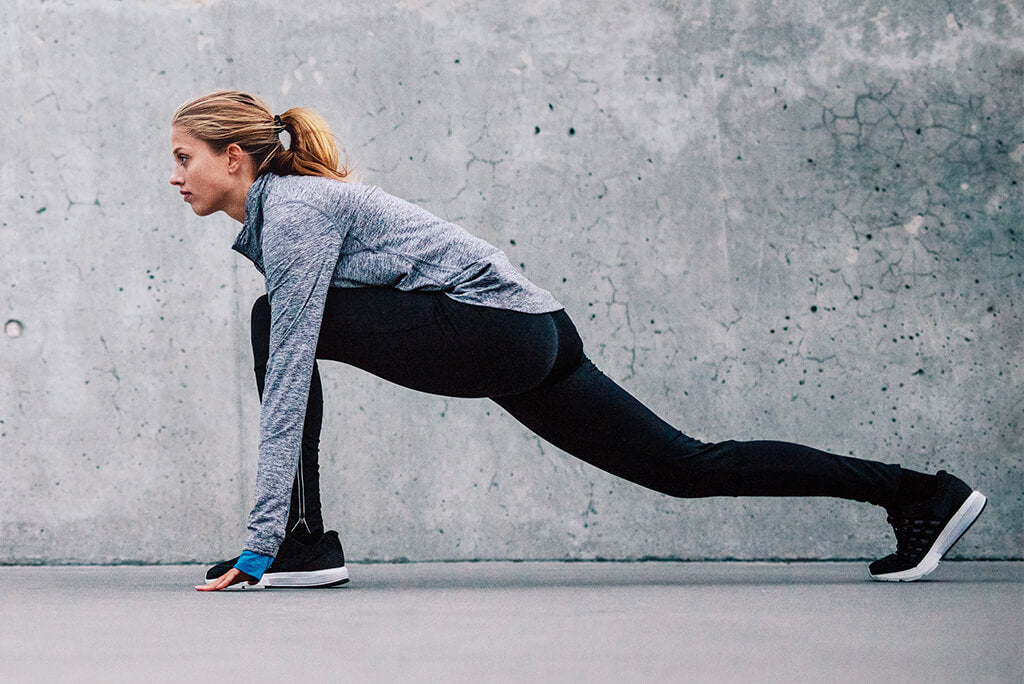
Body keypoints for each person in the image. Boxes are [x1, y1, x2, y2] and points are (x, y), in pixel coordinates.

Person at [168, 91, 987, 592]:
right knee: (683, 467)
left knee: (276, 323)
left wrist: (257, 542)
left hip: (496, 331)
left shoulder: (298, 213)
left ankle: (299, 545)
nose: (174, 176)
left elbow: (285, 383)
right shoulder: (294, 210)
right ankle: (918, 494)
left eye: (184, 158)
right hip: (533, 333)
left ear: (234, 159)